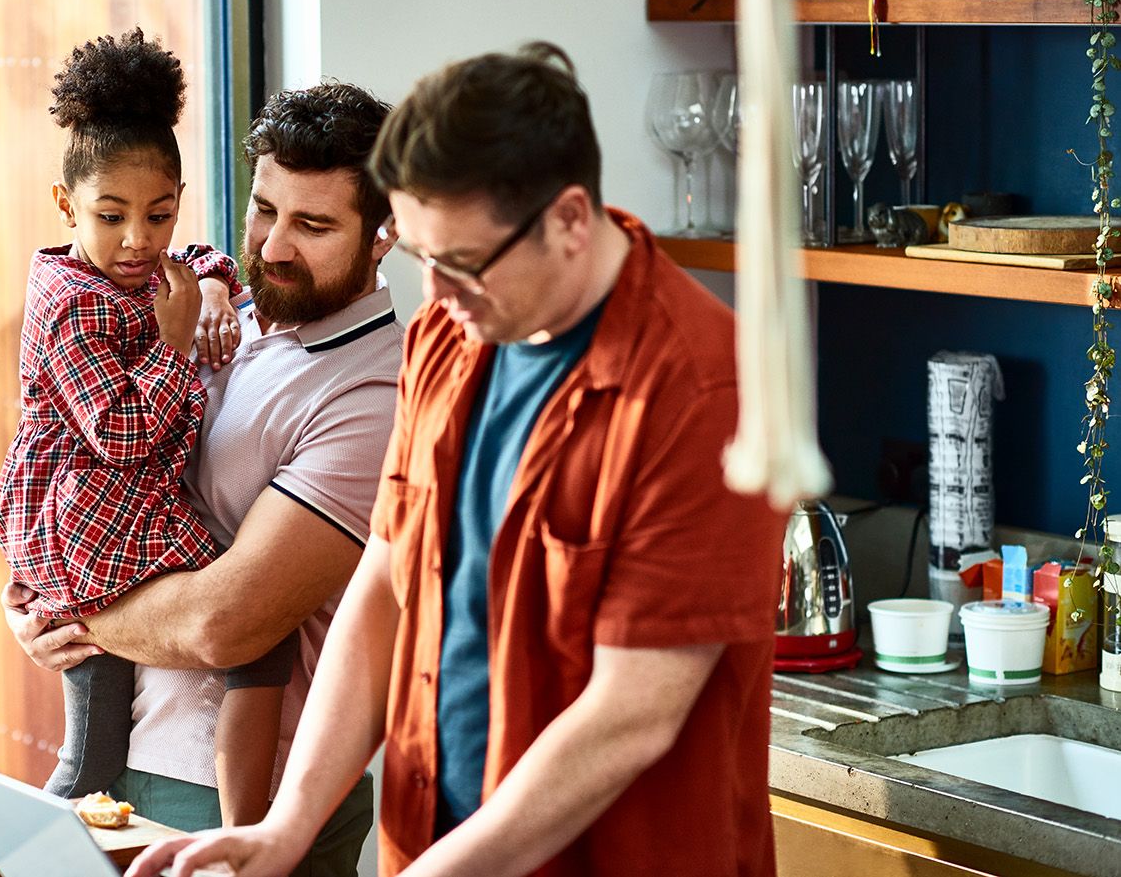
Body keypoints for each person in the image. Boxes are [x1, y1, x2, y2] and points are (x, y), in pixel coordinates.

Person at [126, 43, 788, 877]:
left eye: (464, 262)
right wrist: (289, 819)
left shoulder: (703, 386)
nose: (437, 297)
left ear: (570, 220)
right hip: (433, 842)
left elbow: (633, 711)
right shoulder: (451, 336)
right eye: (423, 258)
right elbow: (385, 585)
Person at [2, 81, 403, 871]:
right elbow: (97, 455)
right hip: (128, 753)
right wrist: (31, 594)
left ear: (385, 233)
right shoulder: (226, 313)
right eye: (264, 210)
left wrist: (66, 607)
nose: (276, 245)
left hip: (236, 799)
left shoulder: (375, 393)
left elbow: (227, 624)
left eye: (314, 224)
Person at [0, 30, 297, 826]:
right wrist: (171, 347)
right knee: (261, 639)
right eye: (110, 215)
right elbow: (122, 434)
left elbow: (207, 259)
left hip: (117, 514)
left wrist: (208, 284)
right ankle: (245, 831)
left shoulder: (159, 267)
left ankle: (89, 837)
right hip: (95, 517)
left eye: (158, 214)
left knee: (96, 744)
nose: (137, 240)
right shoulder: (68, 305)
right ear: (66, 207)